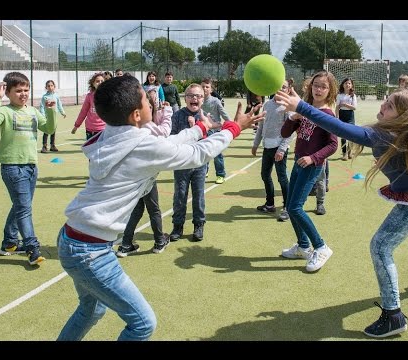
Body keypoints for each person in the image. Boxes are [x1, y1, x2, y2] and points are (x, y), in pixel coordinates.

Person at [56, 75, 264, 341]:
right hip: (90, 252)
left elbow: (168, 143)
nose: (153, 102)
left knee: (92, 309)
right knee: (142, 324)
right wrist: (234, 128)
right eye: (146, 99)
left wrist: (201, 128)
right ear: (135, 114)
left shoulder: (115, 134)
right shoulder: (140, 144)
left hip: (72, 237)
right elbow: (196, 155)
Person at [275, 86, 408, 338]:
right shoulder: (397, 131)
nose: (382, 106)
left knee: (381, 247)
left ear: (402, 117)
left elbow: (341, 129)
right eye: (385, 101)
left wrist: (301, 107)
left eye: (389, 106)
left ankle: (393, 316)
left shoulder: (387, 134)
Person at [0, 71, 57, 265]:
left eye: (26, 90)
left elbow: (49, 129)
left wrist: (50, 110)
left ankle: (9, 243)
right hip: (12, 167)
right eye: (18, 91)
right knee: (24, 208)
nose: (23, 94)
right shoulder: (6, 111)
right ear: (7, 92)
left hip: (31, 167)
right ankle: (32, 247)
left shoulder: (32, 111)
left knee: (21, 206)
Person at [279, 70, 338, 270]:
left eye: (324, 86)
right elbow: (285, 132)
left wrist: (313, 158)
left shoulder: (327, 114)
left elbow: (333, 145)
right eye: (316, 85)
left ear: (330, 91)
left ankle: (320, 246)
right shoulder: (305, 109)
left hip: (311, 166)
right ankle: (303, 246)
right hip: (297, 163)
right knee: (290, 205)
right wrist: (294, 117)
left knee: (295, 207)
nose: (319, 89)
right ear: (310, 87)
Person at [116, 88, 173, 257]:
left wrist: (161, 112)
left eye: (152, 103)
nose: (151, 106)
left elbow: (157, 126)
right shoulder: (145, 125)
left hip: (134, 173)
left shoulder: (131, 122)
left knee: (137, 209)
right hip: (145, 174)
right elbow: (162, 132)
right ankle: (159, 241)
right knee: (153, 209)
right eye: (148, 104)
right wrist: (168, 112)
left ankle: (126, 244)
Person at [168, 84, 221, 242]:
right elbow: (172, 138)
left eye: (198, 96)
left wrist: (195, 126)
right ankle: (178, 226)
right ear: (185, 99)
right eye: (191, 96)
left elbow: (211, 140)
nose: (194, 98)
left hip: (200, 164)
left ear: (202, 99)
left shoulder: (207, 116)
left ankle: (199, 225)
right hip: (182, 164)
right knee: (180, 195)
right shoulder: (177, 115)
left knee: (198, 196)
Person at [252, 80, 294, 222]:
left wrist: (282, 149)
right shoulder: (267, 104)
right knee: (265, 174)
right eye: (277, 86)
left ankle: (287, 207)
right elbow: (261, 126)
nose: (280, 89)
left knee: (282, 178)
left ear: (288, 90)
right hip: (267, 146)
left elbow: (290, 132)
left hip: (279, 148)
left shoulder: (288, 108)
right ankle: (270, 204)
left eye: (284, 87)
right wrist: (255, 144)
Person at [201, 77, 231, 185]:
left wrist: (231, 125)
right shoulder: (198, 101)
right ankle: (204, 172)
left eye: (207, 87)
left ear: (211, 89)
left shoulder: (216, 101)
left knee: (217, 155)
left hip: (215, 131)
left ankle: (220, 174)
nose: (204, 88)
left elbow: (224, 114)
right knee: (204, 153)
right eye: (203, 86)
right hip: (203, 130)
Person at [71, 72, 106, 140]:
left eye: (102, 81)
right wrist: (76, 126)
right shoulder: (89, 96)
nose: (100, 82)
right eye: (97, 81)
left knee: (102, 149)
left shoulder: (108, 96)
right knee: (91, 150)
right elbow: (83, 112)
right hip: (90, 129)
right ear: (93, 84)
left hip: (103, 129)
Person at [40, 80, 66, 153]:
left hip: (54, 116)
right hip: (47, 116)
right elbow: (42, 106)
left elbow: (59, 105)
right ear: (46, 87)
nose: (50, 87)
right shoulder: (44, 97)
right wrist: (42, 115)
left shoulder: (56, 96)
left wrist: (63, 112)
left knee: (53, 131)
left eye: (51, 85)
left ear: (54, 87)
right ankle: (44, 146)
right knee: (46, 131)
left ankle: (52, 146)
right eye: (48, 86)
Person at [335, 77, 358, 161]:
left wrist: (345, 104)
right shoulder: (339, 95)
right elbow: (337, 106)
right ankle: (344, 154)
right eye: (346, 83)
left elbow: (354, 107)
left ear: (351, 85)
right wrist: (337, 116)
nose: (347, 85)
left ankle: (350, 152)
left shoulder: (353, 96)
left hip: (350, 116)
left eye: (349, 83)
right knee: (343, 136)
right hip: (342, 115)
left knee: (351, 135)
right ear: (343, 85)